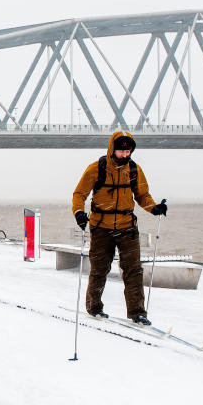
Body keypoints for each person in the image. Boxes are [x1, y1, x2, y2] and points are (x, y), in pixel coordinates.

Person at [72, 131, 167, 326]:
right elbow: (79, 194)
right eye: (121, 150)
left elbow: (143, 196)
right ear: (112, 149)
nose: (125, 154)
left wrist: (155, 208)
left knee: (133, 270)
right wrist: (79, 213)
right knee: (99, 269)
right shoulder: (96, 169)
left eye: (128, 151)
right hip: (101, 228)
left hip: (127, 228)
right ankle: (94, 307)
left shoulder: (134, 170)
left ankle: (137, 313)